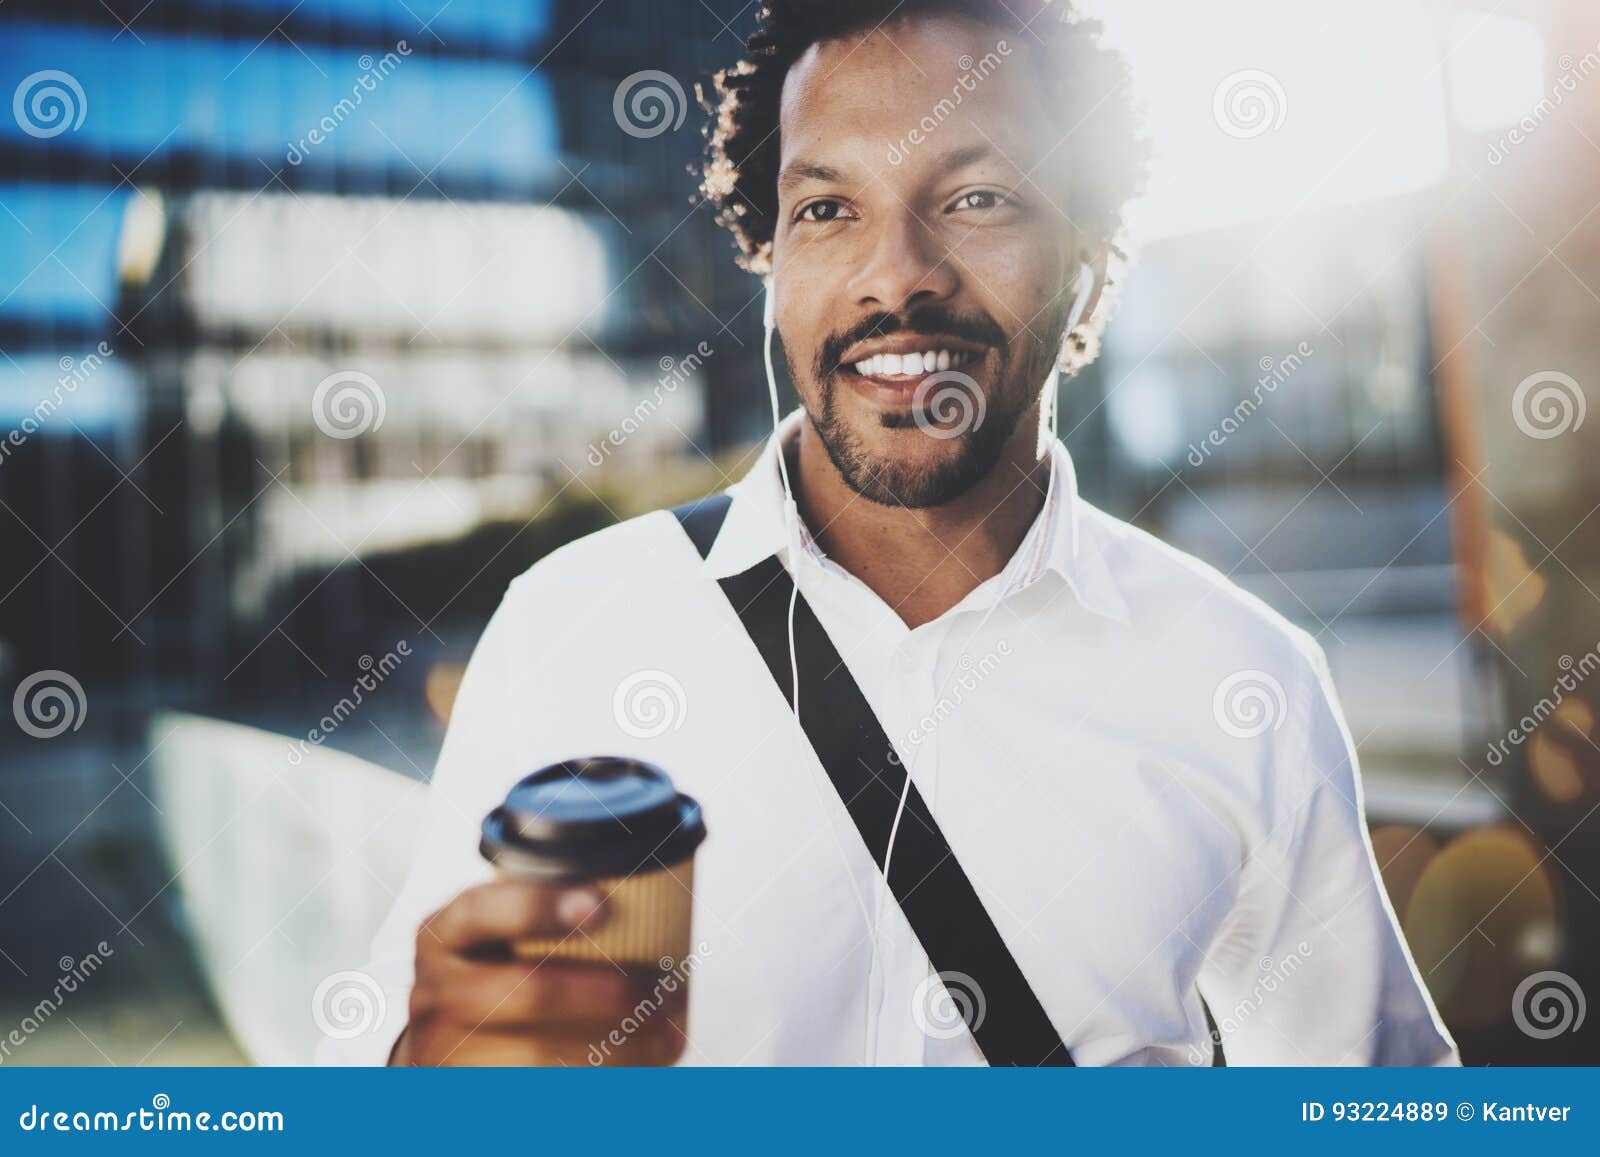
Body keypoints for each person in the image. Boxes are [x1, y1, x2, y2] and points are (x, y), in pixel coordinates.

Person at [320, 0, 1457, 1067]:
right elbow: (393, 1043)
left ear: (1091, 255)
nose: (896, 274)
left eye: (978, 198)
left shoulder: (1243, 677)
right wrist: (435, 1068)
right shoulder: (572, 622)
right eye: (826, 209)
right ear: (768, 267)